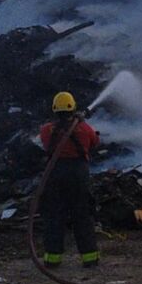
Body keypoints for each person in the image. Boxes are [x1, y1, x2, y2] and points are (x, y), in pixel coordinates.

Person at [39, 91, 100, 268]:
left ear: (54, 109)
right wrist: (81, 123)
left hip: (55, 172)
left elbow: (46, 144)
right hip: (78, 174)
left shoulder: (46, 130)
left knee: (54, 216)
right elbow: (94, 143)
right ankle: (90, 259)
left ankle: (52, 260)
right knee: (82, 215)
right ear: (73, 107)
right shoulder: (84, 128)